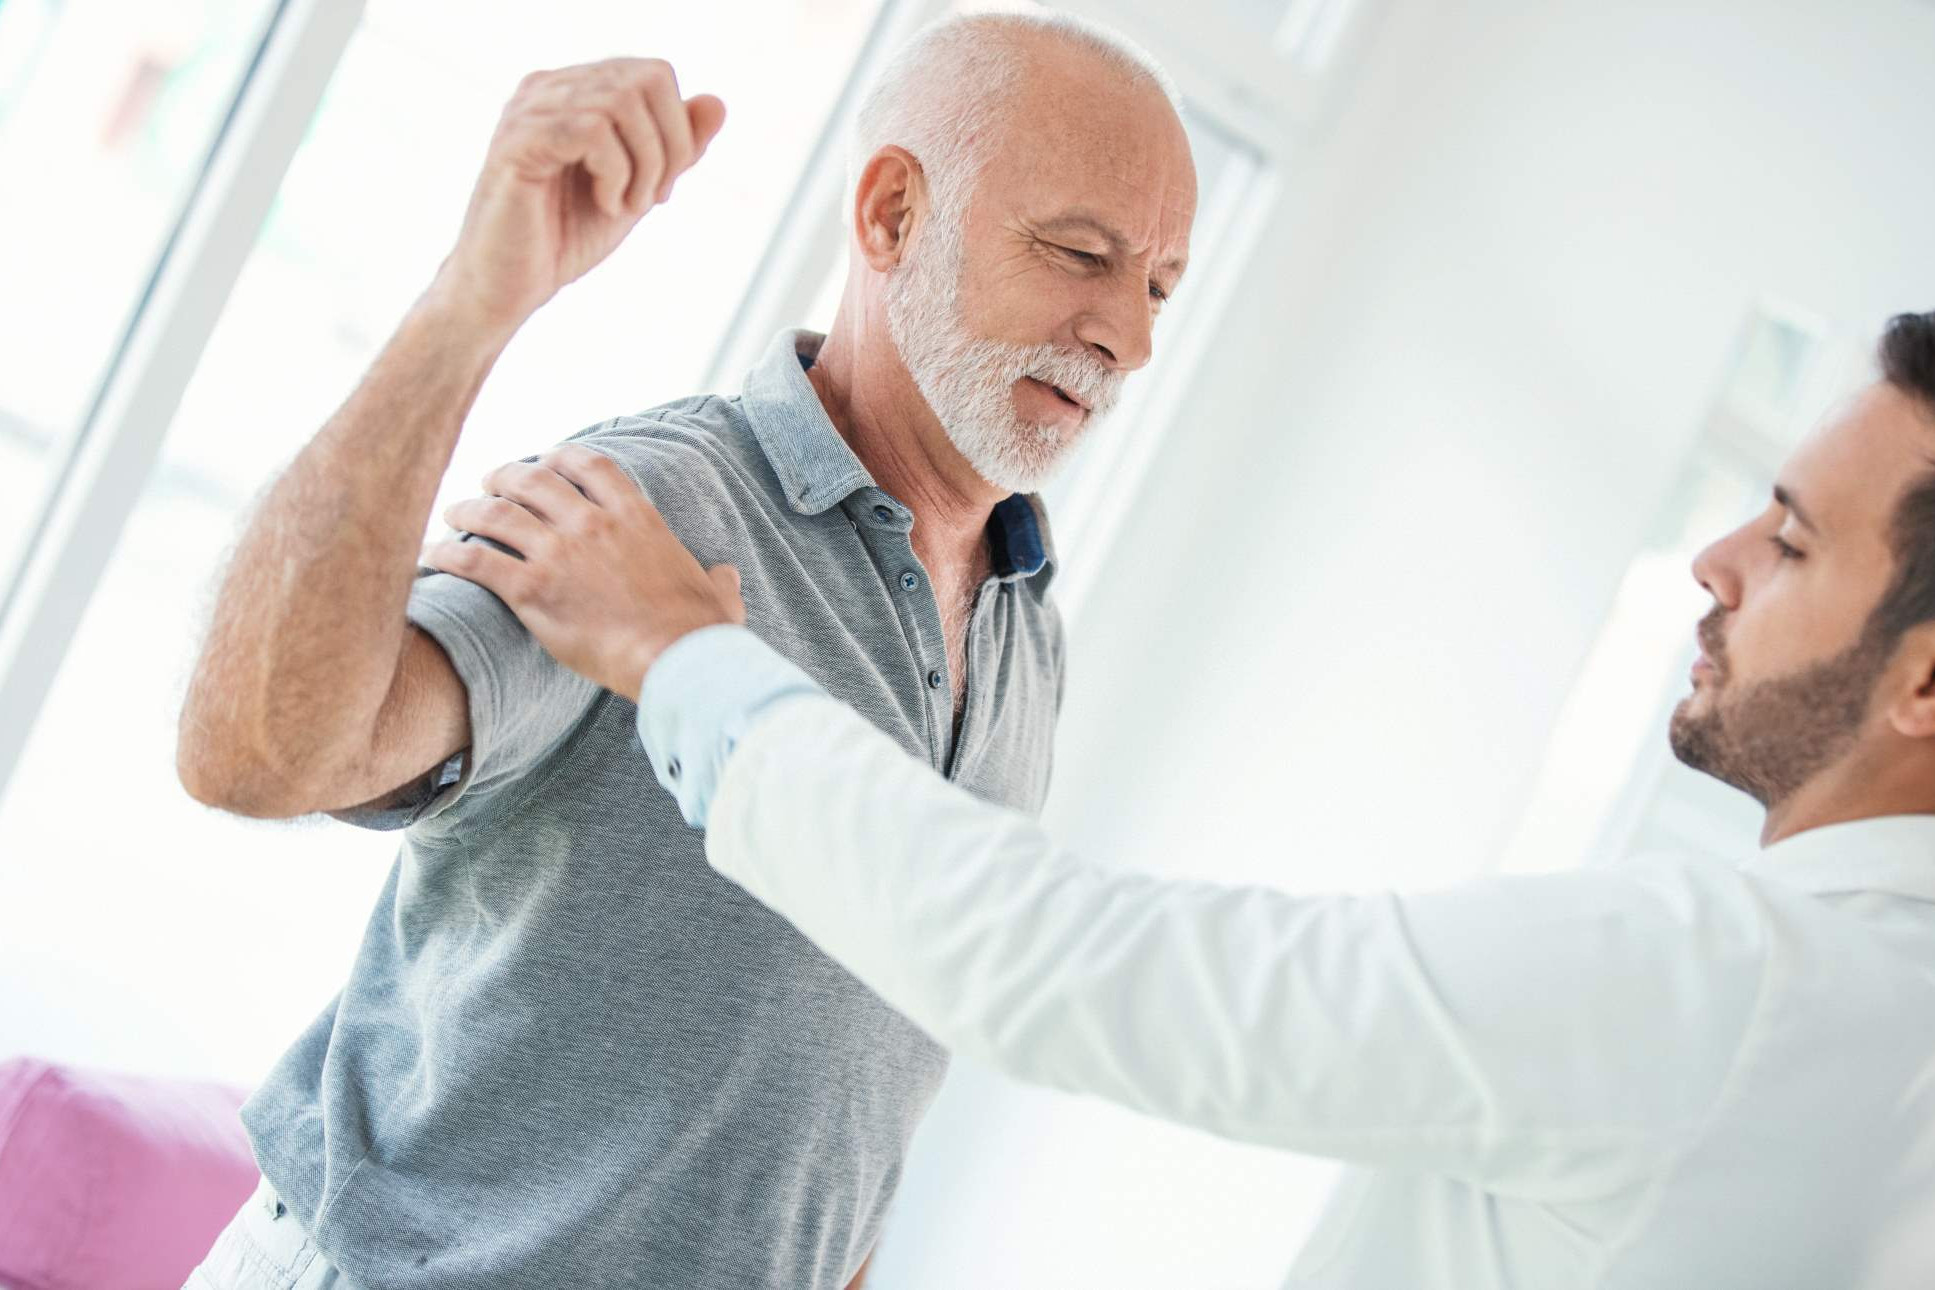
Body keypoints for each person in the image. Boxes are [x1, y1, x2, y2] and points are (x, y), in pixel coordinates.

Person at [445, 311, 1935, 1288]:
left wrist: (681, 656)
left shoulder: (1730, 984)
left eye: (1792, 539)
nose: (1714, 559)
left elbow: (1081, 967)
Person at [174, 13, 1195, 1290]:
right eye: (1079, 253)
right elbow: (256, 754)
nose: (1129, 339)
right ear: (890, 217)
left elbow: (848, 1087)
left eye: (1157, 286)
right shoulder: (641, 509)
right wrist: (468, 306)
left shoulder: (1023, 622)